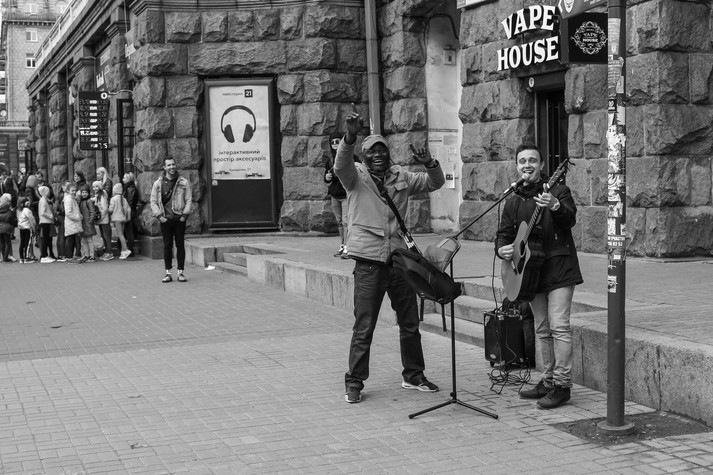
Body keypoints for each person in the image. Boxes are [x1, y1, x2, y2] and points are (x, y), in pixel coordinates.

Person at [334, 110, 445, 404]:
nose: (378, 155)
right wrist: (349, 137)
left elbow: (435, 183)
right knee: (364, 326)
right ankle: (354, 381)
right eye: (372, 151)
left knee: (410, 322)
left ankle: (414, 375)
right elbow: (340, 164)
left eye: (382, 150)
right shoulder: (355, 177)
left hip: (398, 259)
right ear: (364, 156)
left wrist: (430, 163)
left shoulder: (401, 176)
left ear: (389, 154)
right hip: (369, 263)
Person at [495, 143, 583, 409]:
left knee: (559, 326)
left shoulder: (557, 191)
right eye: (522, 161)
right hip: (530, 273)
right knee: (542, 328)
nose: (527, 165)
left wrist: (555, 206)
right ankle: (547, 380)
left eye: (532, 160)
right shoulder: (513, 200)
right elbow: (504, 234)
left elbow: (569, 220)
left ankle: (562, 386)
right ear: (516, 166)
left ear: (542, 166)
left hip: (559, 269)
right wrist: (502, 249)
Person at [150, 157, 192, 283]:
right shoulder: (158, 184)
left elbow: (188, 199)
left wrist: (184, 216)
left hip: (179, 219)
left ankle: (180, 272)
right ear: (164, 167)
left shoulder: (184, 182)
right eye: (169, 165)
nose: (172, 167)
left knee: (180, 245)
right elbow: (153, 201)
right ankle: (168, 273)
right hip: (165, 219)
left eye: (173, 164)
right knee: (167, 245)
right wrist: (160, 217)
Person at [324, 132, 358, 259]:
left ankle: (349, 246)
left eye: (337, 142)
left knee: (346, 221)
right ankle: (343, 244)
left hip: (345, 194)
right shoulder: (330, 161)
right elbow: (326, 177)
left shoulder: (351, 157)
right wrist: (327, 177)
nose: (334, 145)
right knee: (339, 222)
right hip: (335, 194)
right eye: (332, 142)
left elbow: (358, 170)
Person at [108, 183, 131, 260]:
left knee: (120, 234)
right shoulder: (123, 199)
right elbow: (128, 208)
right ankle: (123, 251)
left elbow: (111, 210)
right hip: (123, 218)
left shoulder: (113, 199)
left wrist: (107, 209)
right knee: (122, 235)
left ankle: (125, 249)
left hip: (117, 219)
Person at [92, 181, 113, 260]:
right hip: (101, 219)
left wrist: (100, 217)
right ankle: (107, 252)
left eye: (96, 186)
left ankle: (109, 253)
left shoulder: (102, 195)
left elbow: (104, 208)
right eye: (94, 187)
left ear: (100, 187)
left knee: (106, 236)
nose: (95, 188)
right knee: (103, 236)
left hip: (104, 219)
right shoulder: (97, 195)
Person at [63, 183, 83, 263]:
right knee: (70, 240)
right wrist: (77, 218)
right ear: (68, 191)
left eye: (75, 190)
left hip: (73, 223)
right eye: (72, 190)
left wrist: (79, 216)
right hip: (72, 223)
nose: (74, 192)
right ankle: (69, 256)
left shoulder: (72, 199)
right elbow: (68, 213)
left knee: (72, 239)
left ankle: (71, 256)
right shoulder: (69, 199)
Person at [78, 184, 97, 263]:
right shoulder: (81, 201)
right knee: (83, 240)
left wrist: (90, 221)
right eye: (83, 192)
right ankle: (86, 255)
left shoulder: (89, 201)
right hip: (83, 223)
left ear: (88, 193)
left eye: (86, 192)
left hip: (87, 223)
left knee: (89, 240)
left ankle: (92, 256)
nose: (84, 194)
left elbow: (92, 212)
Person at [38, 186, 57, 263]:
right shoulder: (43, 201)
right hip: (45, 221)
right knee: (45, 239)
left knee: (46, 238)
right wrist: (50, 216)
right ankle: (44, 255)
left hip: (45, 221)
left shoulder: (43, 200)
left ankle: (45, 255)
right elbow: (42, 212)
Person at [122, 172, 139, 257]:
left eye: (124, 178)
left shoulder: (130, 189)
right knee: (127, 231)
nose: (123, 179)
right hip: (129, 210)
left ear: (129, 179)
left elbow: (129, 202)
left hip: (129, 211)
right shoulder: (128, 188)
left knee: (128, 231)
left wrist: (126, 212)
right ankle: (128, 249)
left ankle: (130, 249)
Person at [16, 197, 37, 263]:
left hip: (21, 228)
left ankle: (21, 258)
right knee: (27, 243)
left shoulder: (19, 210)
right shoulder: (27, 210)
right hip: (28, 228)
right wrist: (34, 228)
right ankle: (26, 258)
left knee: (22, 243)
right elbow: (31, 220)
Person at [0, 193, 16, 262]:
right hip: (7, 228)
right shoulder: (9, 211)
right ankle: (6, 257)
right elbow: (12, 220)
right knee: (7, 243)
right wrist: (12, 226)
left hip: (0, 227)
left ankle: (4, 255)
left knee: (2, 243)